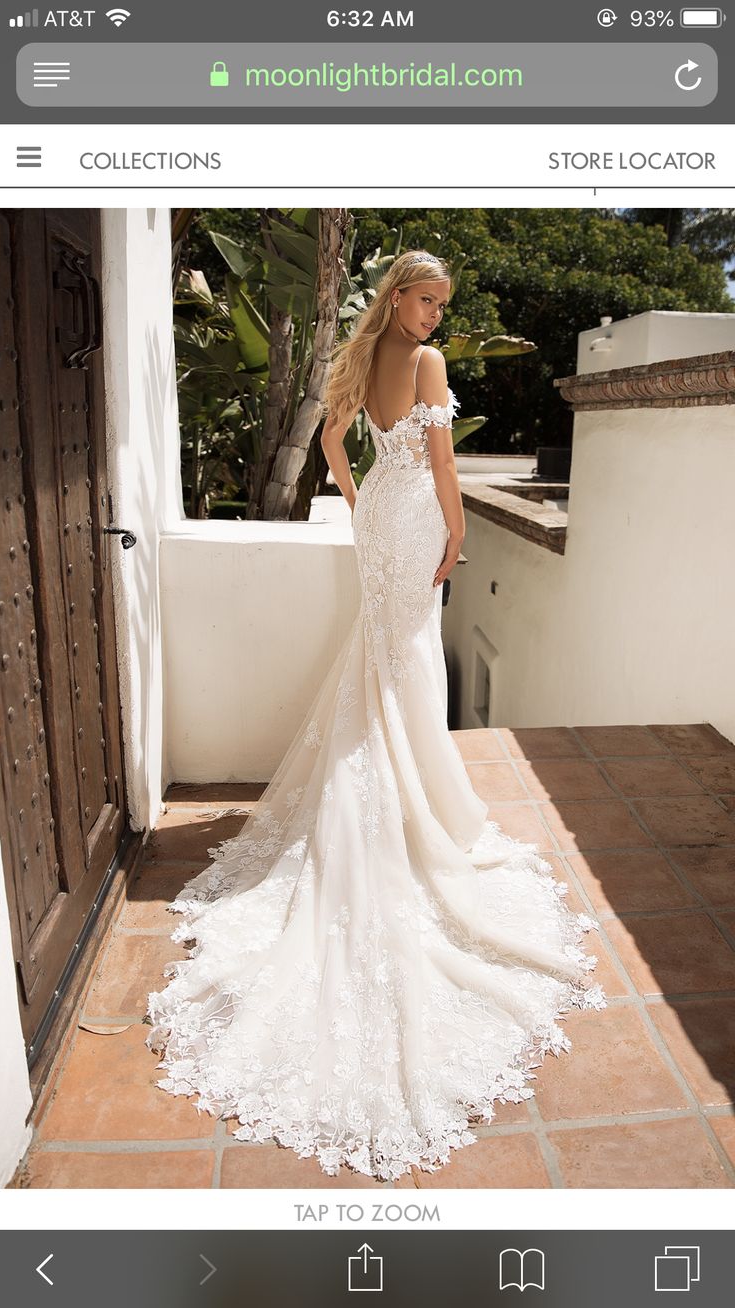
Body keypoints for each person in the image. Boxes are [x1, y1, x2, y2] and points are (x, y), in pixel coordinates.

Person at [145, 249, 606, 1183]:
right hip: (418, 521)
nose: (435, 318)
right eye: (427, 300)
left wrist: (361, 499)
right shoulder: (427, 367)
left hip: (377, 525)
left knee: (385, 660)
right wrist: (463, 530)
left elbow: (330, 442)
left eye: (441, 306)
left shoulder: (361, 362)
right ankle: (412, 803)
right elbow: (443, 458)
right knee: (404, 665)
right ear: (396, 297)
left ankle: (398, 786)